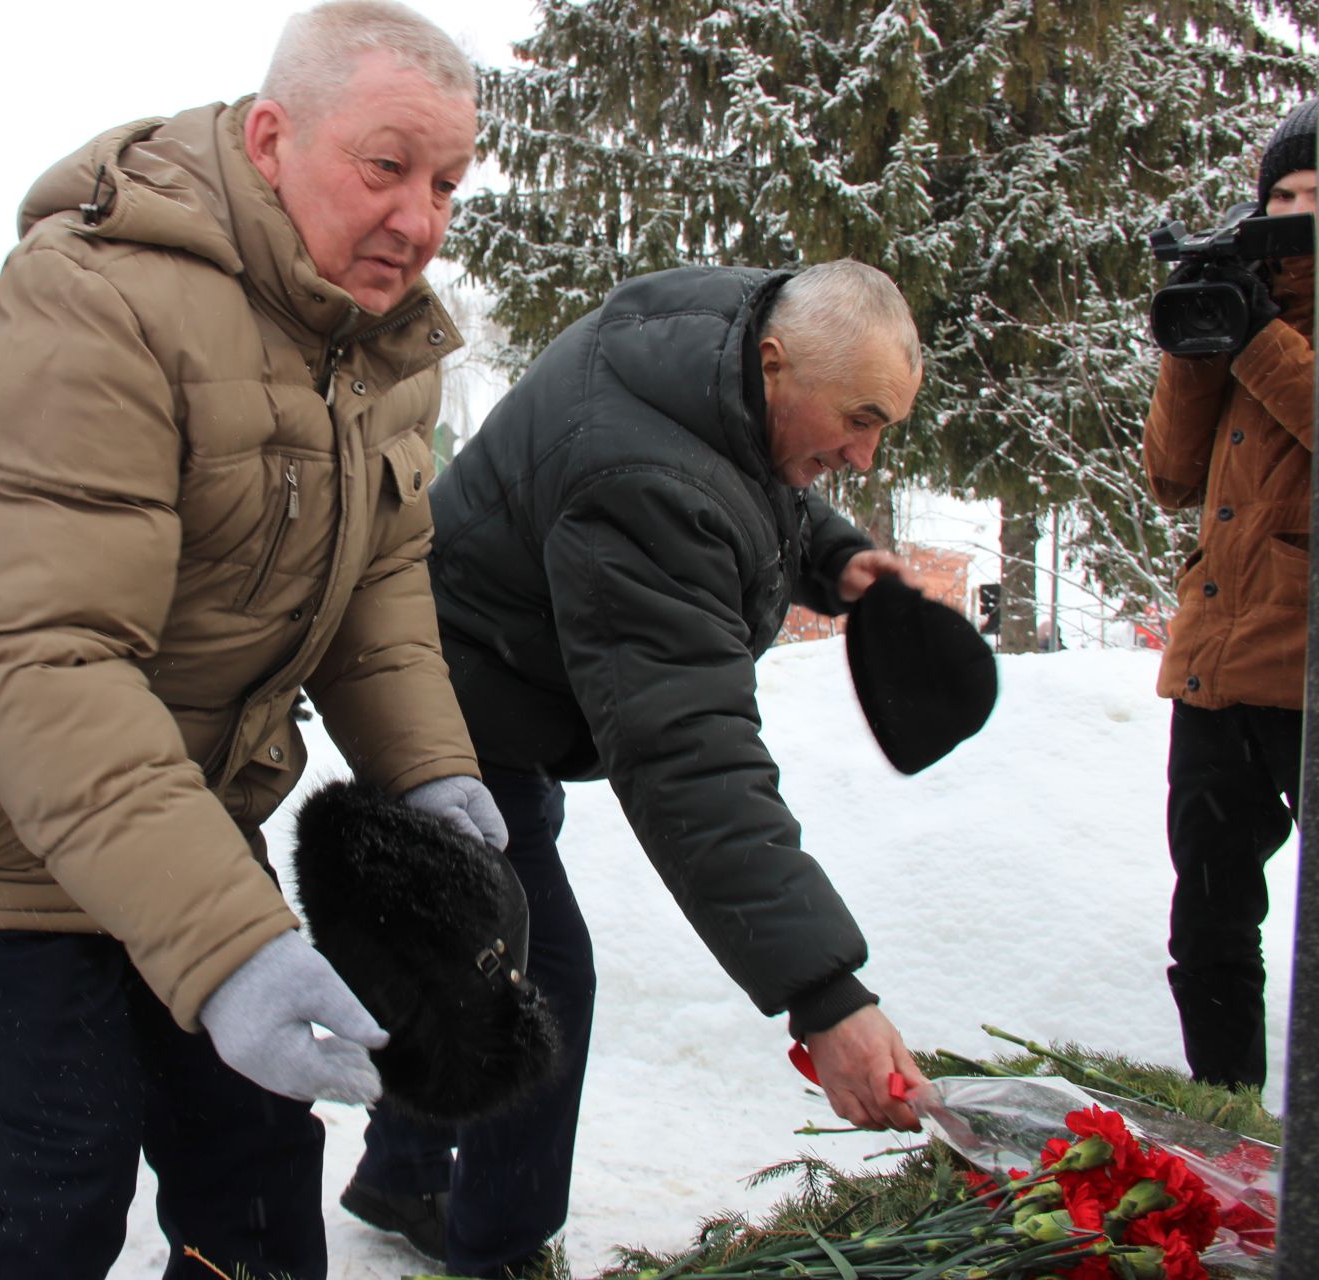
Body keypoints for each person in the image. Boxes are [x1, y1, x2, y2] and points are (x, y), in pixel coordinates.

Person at [0, 4, 496, 1276]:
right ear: (268, 138)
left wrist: (431, 768)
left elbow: (380, 573)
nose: (420, 219)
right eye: (385, 168)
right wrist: (230, 942)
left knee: (252, 1151)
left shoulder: (378, 341)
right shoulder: (95, 298)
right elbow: (41, 651)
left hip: (172, 800)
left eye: (448, 183)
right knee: (56, 1168)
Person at [340, 259, 933, 1276]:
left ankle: (402, 1167)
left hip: (499, 678)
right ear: (777, 360)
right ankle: (501, 1248)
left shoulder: (718, 340)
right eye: (861, 418)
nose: (868, 454)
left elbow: (751, 467)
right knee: (540, 975)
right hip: (452, 702)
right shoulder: (643, 479)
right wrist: (825, 993)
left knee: (477, 935)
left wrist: (830, 554)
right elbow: (689, 757)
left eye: (886, 426)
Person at [1142, 97, 1316, 1092]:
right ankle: (1232, 1131)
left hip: (1307, 675)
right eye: (1281, 193)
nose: (1294, 212)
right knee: (1208, 925)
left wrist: (1256, 337)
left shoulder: (1275, 334)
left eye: (1315, 197)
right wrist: (1195, 336)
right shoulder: (1251, 308)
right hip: (1217, 670)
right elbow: (1171, 472)